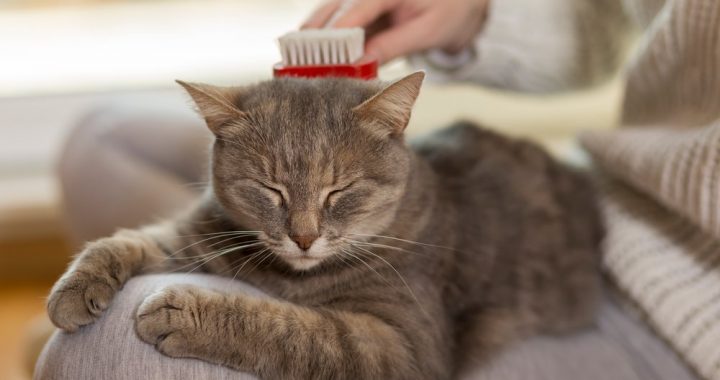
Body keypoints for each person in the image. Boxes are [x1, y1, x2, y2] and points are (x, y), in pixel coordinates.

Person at [37, 0, 719, 378]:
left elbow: (402, 357)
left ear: (395, 133)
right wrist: (475, 12)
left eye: (337, 202)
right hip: (628, 199)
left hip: (649, 318)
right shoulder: (323, 186)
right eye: (275, 199)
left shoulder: (411, 236)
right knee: (102, 141)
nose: (303, 233)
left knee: (103, 347)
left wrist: (236, 326)